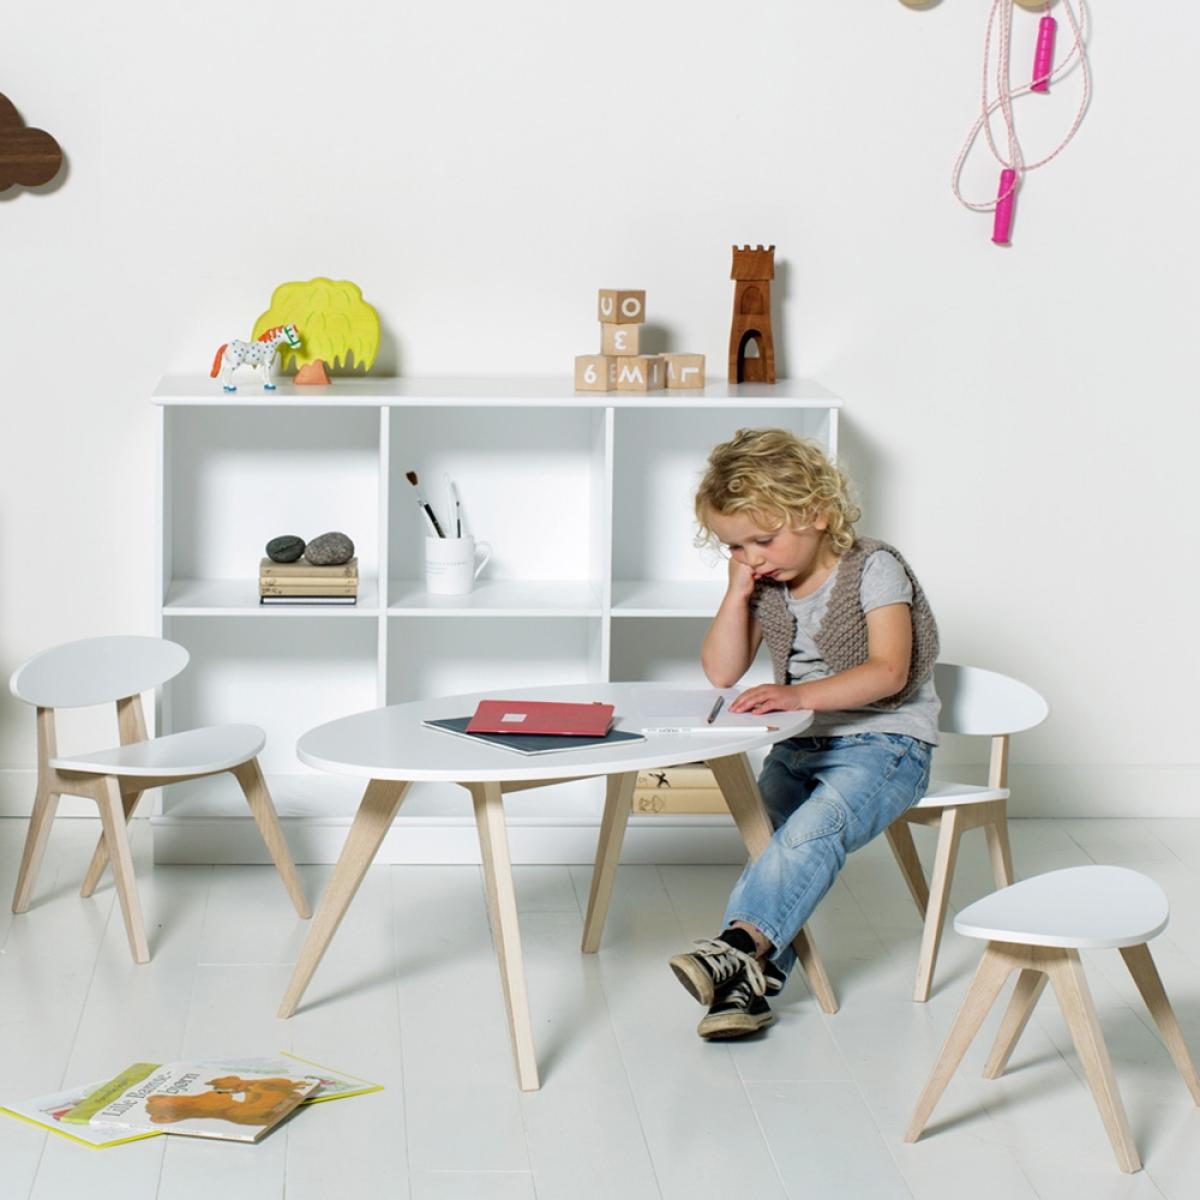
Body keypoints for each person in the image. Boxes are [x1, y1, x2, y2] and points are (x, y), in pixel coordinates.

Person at [669, 428, 940, 1039]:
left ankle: (738, 947)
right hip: (801, 745)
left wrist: (798, 696)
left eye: (762, 541)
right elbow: (722, 671)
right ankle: (746, 982)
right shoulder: (765, 584)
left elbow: (889, 671)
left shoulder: (875, 568)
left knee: (811, 830)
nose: (751, 557)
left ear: (817, 513)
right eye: (735, 546)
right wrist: (736, 592)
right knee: (766, 836)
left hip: (887, 745)